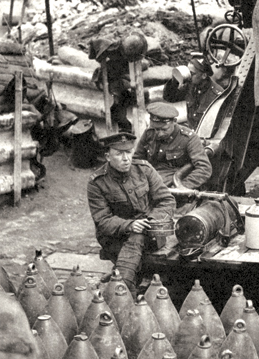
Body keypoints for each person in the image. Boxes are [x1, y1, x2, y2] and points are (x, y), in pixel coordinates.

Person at [87, 132, 176, 296]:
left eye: (128, 152)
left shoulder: (144, 170)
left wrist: (151, 221)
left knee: (139, 235)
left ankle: (121, 287)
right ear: (108, 156)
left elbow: (166, 200)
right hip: (114, 238)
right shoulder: (97, 183)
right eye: (119, 154)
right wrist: (130, 225)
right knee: (136, 235)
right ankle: (126, 287)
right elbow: (102, 220)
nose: (126, 158)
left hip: (151, 234)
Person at [133, 102, 212, 189]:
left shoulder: (188, 138)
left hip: (174, 181)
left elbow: (204, 168)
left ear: (174, 122)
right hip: (150, 178)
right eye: (156, 129)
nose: (158, 134)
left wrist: (182, 186)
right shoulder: (149, 133)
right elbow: (137, 160)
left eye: (164, 129)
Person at [162, 53, 224, 129]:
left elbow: (219, 124)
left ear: (204, 75)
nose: (189, 76)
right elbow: (169, 97)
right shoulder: (191, 85)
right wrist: (175, 80)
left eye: (192, 73)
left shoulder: (217, 94)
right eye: (188, 72)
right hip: (192, 130)